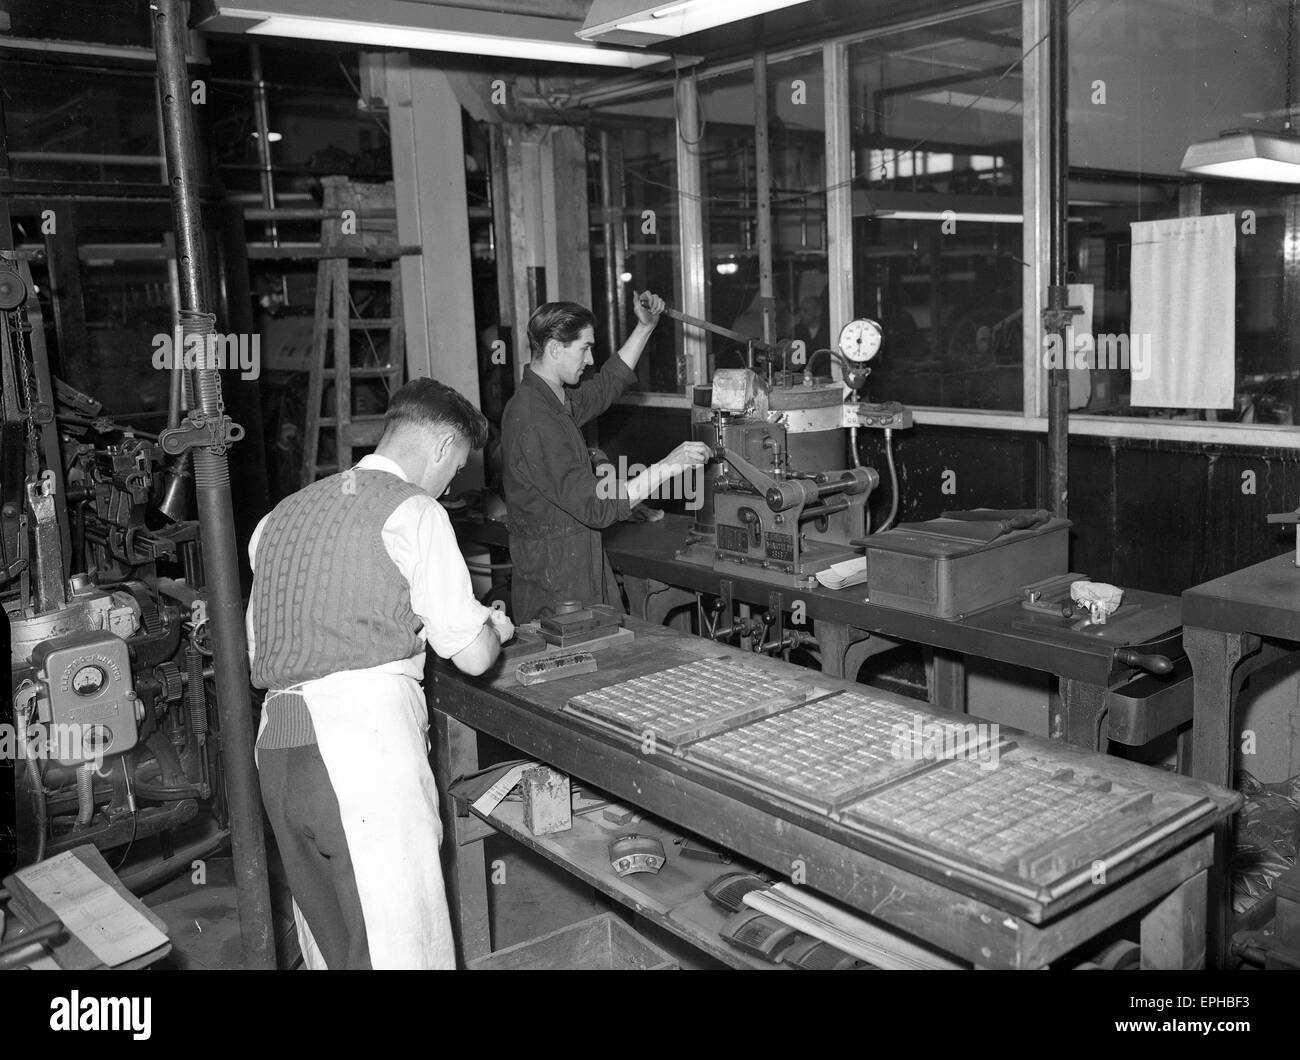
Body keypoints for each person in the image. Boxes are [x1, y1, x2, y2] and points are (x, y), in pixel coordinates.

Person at [246, 377, 514, 970]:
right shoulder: (413, 511)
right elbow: (469, 654)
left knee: (335, 949)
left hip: (279, 754)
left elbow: (268, 642)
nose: (448, 488)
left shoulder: (277, 519)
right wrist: (494, 628)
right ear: (443, 446)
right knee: (400, 948)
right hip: (362, 754)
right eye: (456, 469)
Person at [501, 294, 711, 622]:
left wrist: (645, 328)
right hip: (558, 583)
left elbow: (605, 386)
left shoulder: (553, 402)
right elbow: (597, 506)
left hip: (577, 564)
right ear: (556, 348)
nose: (589, 359)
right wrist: (670, 466)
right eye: (584, 348)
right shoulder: (534, 417)